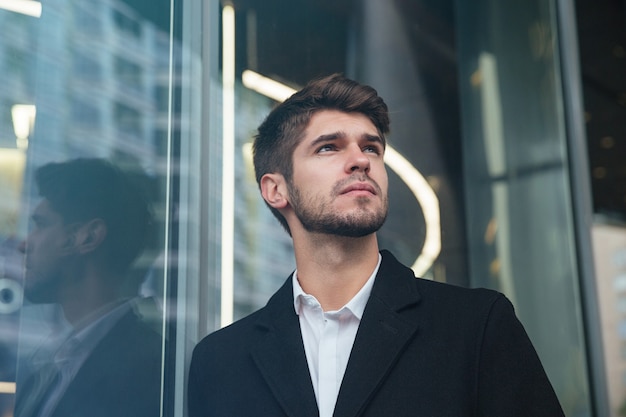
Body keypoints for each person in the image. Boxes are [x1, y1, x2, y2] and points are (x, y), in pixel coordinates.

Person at [187, 74, 565, 416]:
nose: (360, 161)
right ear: (275, 189)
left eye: (371, 148)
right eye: (328, 148)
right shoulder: (220, 361)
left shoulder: (477, 327)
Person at [14, 158, 162, 417]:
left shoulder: (152, 368)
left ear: (88, 237)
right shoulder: (53, 361)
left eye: (40, 225)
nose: (24, 244)